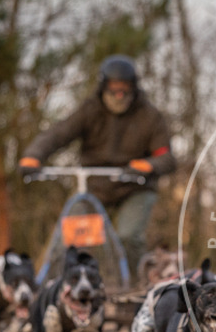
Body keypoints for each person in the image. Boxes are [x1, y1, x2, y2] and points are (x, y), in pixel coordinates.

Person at [19, 55, 177, 265]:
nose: (119, 94)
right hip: (95, 187)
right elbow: (58, 134)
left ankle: (132, 286)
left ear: (134, 88)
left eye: (125, 88)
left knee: (128, 237)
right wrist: (33, 155)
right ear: (104, 86)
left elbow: (167, 158)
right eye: (114, 88)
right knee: (71, 235)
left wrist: (149, 165)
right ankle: (59, 284)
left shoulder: (150, 116)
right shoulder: (90, 110)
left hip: (135, 187)